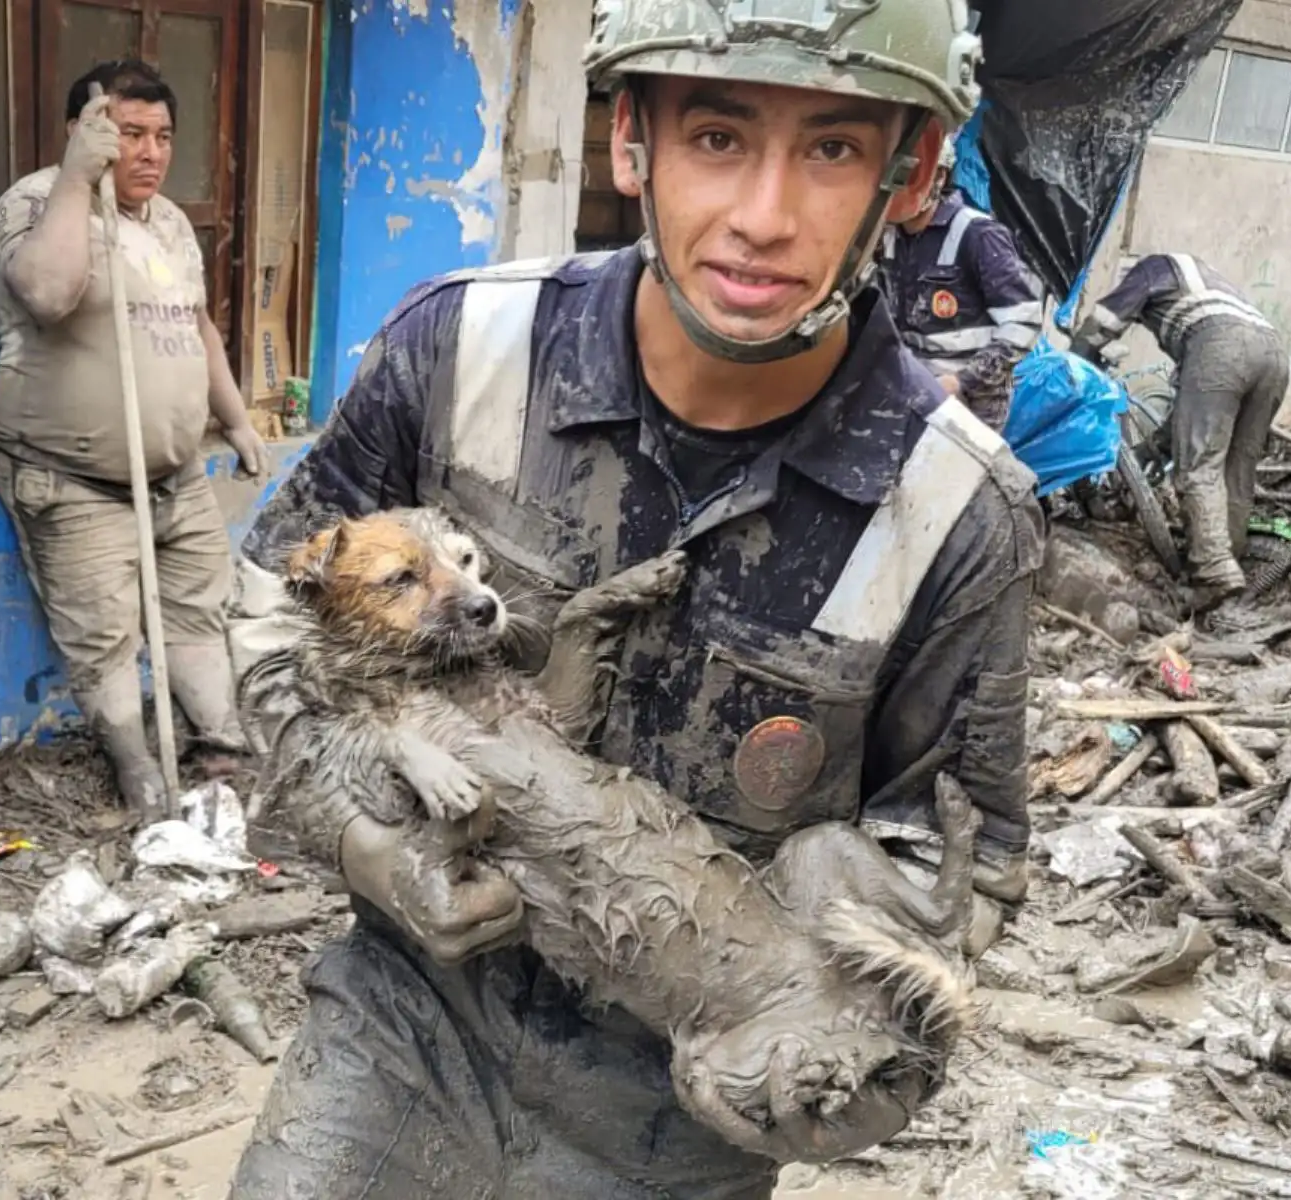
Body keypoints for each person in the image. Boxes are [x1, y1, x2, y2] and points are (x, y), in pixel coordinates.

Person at [225, 0, 1042, 1194]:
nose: (762, 218)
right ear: (631, 141)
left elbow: (961, 856)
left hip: (677, 1114)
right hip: (403, 1029)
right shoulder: (459, 352)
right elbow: (266, 631)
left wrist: (843, 1050)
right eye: (717, 137)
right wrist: (369, 850)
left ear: (907, 175)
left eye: (831, 149)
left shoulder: (959, 517)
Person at [0, 59, 266, 820]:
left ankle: (221, 748)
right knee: (103, 639)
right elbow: (48, 294)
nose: (149, 152)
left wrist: (235, 417)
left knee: (197, 612)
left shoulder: (171, 223)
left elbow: (199, 325)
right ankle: (139, 772)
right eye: (130, 134)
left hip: (176, 476)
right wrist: (79, 178)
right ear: (84, 132)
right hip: (70, 478)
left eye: (163, 135)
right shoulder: (36, 202)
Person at [1072, 253, 1287, 598]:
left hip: (1221, 347)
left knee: (1198, 465)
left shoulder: (1149, 268)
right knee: (1238, 465)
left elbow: (1103, 322)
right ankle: (1229, 559)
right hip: (1273, 353)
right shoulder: (1204, 280)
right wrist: (1156, 445)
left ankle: (1213, 569)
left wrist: (1074, 363)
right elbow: (1193, 415)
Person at [883, 137, 1044, 433]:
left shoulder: (978, 234)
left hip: (972, 399)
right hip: (912, 387)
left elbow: (1023, 324)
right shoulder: (888, 236)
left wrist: (961, 381)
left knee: (955, 477)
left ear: (940, 175)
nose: (900, 187)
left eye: (910, 176)